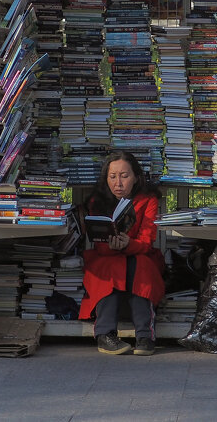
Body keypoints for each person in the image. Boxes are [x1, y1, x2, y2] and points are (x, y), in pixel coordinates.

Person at [78, 151, 165, 356]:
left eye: (124, 176)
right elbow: (99, 245)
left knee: (141, 264)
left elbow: (147, 241)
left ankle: (145, 335)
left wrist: (128, 244)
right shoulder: (96, 202)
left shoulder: (148, 200)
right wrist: (115, 246)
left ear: (135, 177)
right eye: (112, 177)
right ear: (105, 178)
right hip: (107, 258)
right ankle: (105, 335)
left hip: (139, 256)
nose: (118, 183)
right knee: (110, 265)